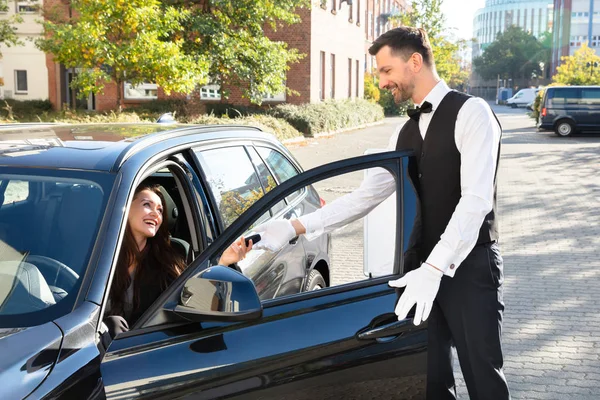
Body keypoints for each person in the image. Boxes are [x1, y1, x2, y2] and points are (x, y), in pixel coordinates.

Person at [253, 27, 509, 400]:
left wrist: (435, 269)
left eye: (387, 71)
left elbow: (476, 201)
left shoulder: (473, 113)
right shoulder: (402, 132)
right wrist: (293, 226)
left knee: (484, 380)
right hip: (417, 273)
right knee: (429, 382)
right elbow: (364, 197)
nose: (382, 82)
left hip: (470, 269)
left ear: (415, 62)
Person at [104, 182, 253, 338]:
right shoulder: (101, 256)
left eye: (160, 210)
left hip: (147, 346)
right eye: (147, 204)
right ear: (125, 208)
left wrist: (223, 262)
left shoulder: (169, 260)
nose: (156, 214)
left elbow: (193, 302)